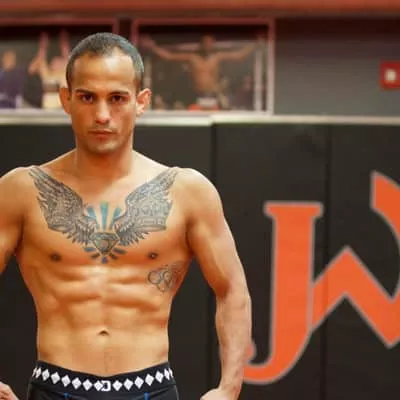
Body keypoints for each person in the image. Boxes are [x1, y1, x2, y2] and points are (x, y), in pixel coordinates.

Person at [0, 32, 252, 400]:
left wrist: (229, 388)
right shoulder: (21, 190)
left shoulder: (186, 192)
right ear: (66, 99)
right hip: (56, 387)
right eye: (87, 97)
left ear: (141, 101)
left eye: (117, 98)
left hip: (150, 388)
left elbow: (232, 289)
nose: (102, 115)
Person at [140, 33, 259, 110]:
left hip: (214, 96)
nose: (207, 45)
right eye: (205, 42)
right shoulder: (193, 58)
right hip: (197, 97)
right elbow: (169, 56)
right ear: (201, 44)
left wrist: (256, 43)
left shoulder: (217, 57)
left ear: (212, 44)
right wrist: (152, 46)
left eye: (210, 42)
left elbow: (239, 56)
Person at [28, 30, 70, 110]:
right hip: (46, 109)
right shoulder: (46, 75)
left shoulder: (63, 73)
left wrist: (63, 43)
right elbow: (32, 68)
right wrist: (43, 47)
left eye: (59, 61)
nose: (56, 63)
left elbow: (67, 59)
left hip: (60, 109)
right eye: (54, 62)